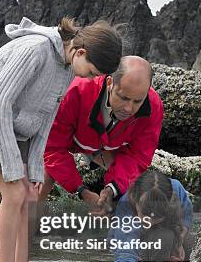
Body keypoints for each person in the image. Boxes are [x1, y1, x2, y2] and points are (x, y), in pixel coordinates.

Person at [0, 16, 123, 262]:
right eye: (91, 72)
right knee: (14, 194)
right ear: (80, 53)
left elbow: (46, 118)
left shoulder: (66, 67)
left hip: (18, 123)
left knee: (29, 196)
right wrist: (14, 169)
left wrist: (34, 169)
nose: (88, 79)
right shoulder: (35, 50)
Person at [40, 56, 164, 215]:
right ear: (109, 83)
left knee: (129, 188)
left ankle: (117, 233)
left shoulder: (153, 106)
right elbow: (53, 149)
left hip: (108, 146)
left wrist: (111, 190)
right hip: (70, 138)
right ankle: (27, 231)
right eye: (123, 97)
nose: (128, 108)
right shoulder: (75, 91)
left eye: (137, 102)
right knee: (43, 178)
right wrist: (81, 190)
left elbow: (138, 156)